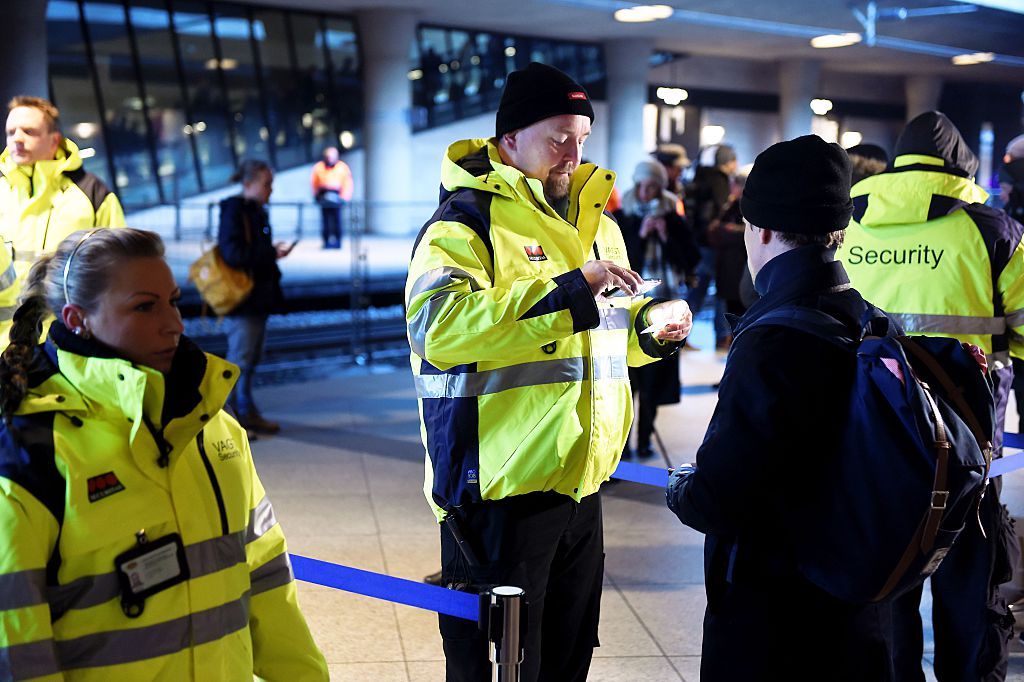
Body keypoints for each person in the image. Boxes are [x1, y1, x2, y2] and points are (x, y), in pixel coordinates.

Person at [406, 61, 693, 682]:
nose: (574, 151)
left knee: (565, 658)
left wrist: (651, 328)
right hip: (497, 491)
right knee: (499, 664)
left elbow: (607, 338)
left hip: (581, 484)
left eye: (582, 136)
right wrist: (566, 293)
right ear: (509, 140)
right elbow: (438, 332)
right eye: (558, 135)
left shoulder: (600, 228)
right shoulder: (464, 225)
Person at [0, 228, 328, 680]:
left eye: (172, 300)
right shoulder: (30, 450)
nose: (174, 323)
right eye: (144, 306)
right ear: (78, 319)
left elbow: (267, 578)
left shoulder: (214, 427)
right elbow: (16, 650)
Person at [667, 135, 895, 681]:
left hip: (777, 620)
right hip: (856, 602)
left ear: (762, 229)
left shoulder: (775, 338)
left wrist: (684, 489)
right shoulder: (872, 321)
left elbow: (723, 497)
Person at [842, 111, 1024, 681]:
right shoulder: (993, 230)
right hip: (969, 444)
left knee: (887, 579)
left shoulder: (848, 222)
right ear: (961, 166)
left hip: (874, 437)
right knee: (970, 584)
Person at [0, 96, 125, 348]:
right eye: (11, 132)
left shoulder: (93, 194)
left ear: (54, 139)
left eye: (29, 131)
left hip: (71, 344)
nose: (17, 139)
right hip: (5, 345)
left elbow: (121, 270)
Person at [615, 159, 699, 459]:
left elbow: (690, 258)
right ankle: (622, 445)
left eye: (652, 186)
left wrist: (665, 237)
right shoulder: (621, 215)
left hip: (664, 304)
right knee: (624, 380)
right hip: (626, 306)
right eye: (641, 185)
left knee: (653, 378)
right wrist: (639, 235)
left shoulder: (673, 216)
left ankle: (645, 437)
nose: (646, 191)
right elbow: (619, 263)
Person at [219, 160, 294, 435]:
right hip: (243, 300)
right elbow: (233, 254)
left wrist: (270, 251)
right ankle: (230, 423)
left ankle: (246, 413)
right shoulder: (235, 211)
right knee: (239, 360)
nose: (270, 190)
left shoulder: (255, 211)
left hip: (257, 297)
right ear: (248, 184)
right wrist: (270, 254)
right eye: (266, 184)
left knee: (249, 359)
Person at [685, 143, 737, 350]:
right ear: (728, 162)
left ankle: (679, 333)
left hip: (698, 242)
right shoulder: (720, 180)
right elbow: (720, 209)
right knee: (721, 291)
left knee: (697, 291)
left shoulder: (699, 176)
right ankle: (723, 336)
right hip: (713, 244)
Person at [310, 146, 354, 249]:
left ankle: (338, 242)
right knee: (325, 221)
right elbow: (314, 183)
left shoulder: (342, 167)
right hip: (323, 196)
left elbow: (347, 183)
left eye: (332, 156)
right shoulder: (319, 167)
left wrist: (344, 198)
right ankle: (326, 242)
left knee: (337, 221)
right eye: (328, 156)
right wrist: (316, 196)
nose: (329, 159)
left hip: (337, 197)